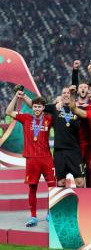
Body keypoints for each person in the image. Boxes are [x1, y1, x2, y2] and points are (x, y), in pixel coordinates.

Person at [6, 91, 56, 227]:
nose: (37, 109)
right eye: (35, 106)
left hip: (46, 158)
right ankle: (33, 217)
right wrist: (16, 96)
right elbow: (9, 111)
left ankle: (50, 214)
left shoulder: (49, 119)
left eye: (40, 107)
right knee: (32, 188)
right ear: (32, 107)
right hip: (32, 159)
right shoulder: (26, 118)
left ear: (43, 108)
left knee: (53, 187)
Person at [22, 86, 85, 188]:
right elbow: (35, 104)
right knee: (61, 182)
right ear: (61, 95)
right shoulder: (55, 107)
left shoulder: (78, 109)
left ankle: (82, 204)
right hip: (59, 151)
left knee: (80, 182)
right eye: (64, 93)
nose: (66, 94)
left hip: (74, 150)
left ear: (72, 95)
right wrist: (23, 95)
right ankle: (62, 203)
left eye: (68, 93)